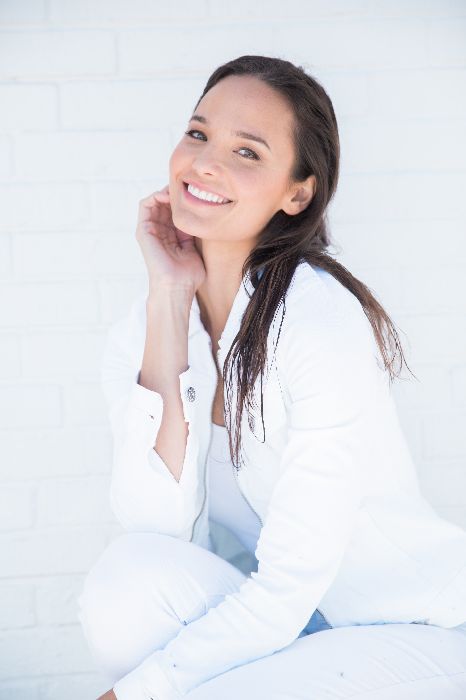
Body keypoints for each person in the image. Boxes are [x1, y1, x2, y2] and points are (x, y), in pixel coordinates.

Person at [77, 55, 466, 700]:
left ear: (297, 192)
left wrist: (137, 692)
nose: (205, 162)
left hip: (413, 631)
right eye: (198, 133)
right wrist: (169, 298)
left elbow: (286, 587)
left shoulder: (317, 320)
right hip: (298, 628)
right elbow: (156, 529)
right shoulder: (140, 331)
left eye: (247, 152)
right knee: (125, 581)